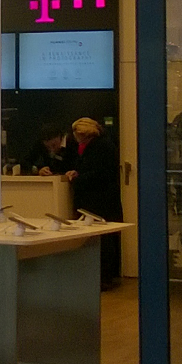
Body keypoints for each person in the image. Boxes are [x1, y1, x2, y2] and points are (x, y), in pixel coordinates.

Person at [69, 117, 124, 288]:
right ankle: (106, 276)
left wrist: (78, 179)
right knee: (106, 238)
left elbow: (100, 174)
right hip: (103, 198)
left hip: (98, 199)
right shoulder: (103, 145)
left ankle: (103, 278)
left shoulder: (99, 148)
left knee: (102, 239)